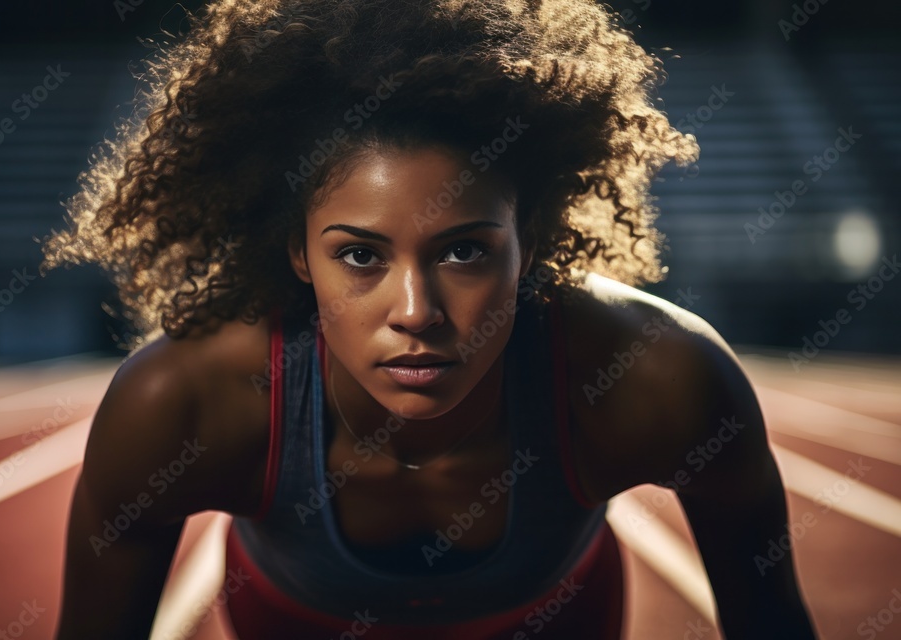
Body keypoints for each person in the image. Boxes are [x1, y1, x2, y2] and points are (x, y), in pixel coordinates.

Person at [43, 0, 817, 638]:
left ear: (533, 244)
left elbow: (773, 622)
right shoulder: (179, 405)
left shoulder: (662, 381)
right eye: (359, 257)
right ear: (297, 253)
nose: (416, 313)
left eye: (464, 253)